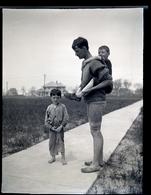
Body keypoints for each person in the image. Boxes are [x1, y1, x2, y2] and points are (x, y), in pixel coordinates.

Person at [66, 37, 113, 173]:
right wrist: (78, 93)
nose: (76, 54)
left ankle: (95, 165)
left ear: (85, 48)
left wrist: (91, 90)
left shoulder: (94, 62)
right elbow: (87, 82)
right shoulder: (87, 63)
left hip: (96, 100)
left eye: (77, 50)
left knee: (95, 130)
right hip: (91, 100)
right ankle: (98, 160)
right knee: (96, 130)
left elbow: (109, 81)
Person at [45, 89, 69, 165]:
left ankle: (63, 157)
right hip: (52, 129)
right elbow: (46, 119)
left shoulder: (63, 107)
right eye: (54, 97)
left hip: (60, 129)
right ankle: (53, 156)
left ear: (60, 98)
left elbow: (66, 117)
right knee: (52, 143)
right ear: (51, 98)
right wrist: (51, 127)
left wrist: (61, 126)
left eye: (57, 97)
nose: (55, 99)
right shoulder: (49, 107)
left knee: (61, 142)